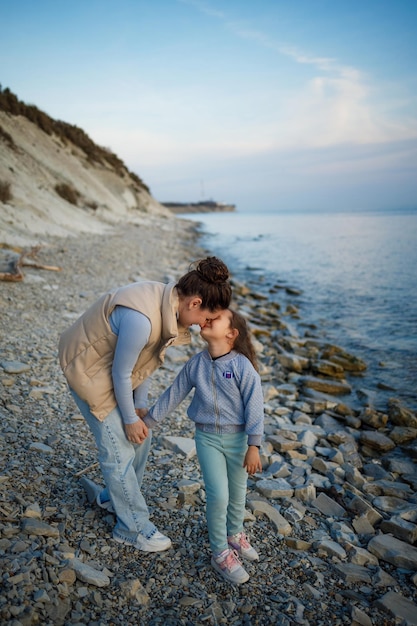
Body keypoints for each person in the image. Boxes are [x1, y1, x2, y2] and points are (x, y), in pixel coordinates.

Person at [58, 257, 232, 553]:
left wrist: (139, 407)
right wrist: (127, 418)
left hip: (112, 366)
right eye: (206, 318)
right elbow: (121, 372)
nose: (205, 326)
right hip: (87, 367)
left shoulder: (169, 304)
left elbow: (146, 360)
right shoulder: (143, 318)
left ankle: (115, 500)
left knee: (141, 437)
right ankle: (132, 527)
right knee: (118, 448)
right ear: (195, 302)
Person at [143, 308, 264, 584]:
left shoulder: (242, 366)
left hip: (238, 441)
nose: (207, 319)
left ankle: (234, 534)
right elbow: (174, 393)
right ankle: (219, 552)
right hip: (207, 438)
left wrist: (254, 445)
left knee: (238, 492)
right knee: (218, 495)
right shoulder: (196, 364)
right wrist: (148, 420)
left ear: (231, 334)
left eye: (217, 318)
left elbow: (256, 406)